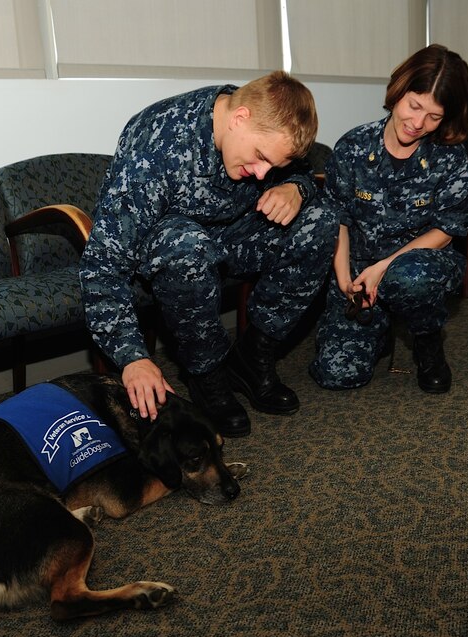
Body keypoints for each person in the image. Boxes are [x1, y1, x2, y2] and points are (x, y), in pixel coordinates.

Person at [80, 71, 338, 437]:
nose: (263, 172)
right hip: (173, 245)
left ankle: (254, 356)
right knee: (188, 245)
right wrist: (131, 357)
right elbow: (102, 265)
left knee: (321, 221)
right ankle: (208, 374)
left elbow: (304, 172)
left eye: (273, 167)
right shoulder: (157, 144)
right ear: (239, 118)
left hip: (234, 233)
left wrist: (296, 187)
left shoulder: (264, 128)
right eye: (260, 156)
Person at [309, 45, 468, 393]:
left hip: (421, 266)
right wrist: (345, 282)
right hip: (358, 270)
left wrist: (384, 267)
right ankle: (379, 329)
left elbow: (447, 229)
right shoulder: (354, 146)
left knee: (409, 276)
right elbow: (337, 217)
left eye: (434, 117)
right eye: (414, 106)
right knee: (337, 375)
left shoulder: (450, 157)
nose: (418, 124)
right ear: (399, 91)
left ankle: (427, 342)